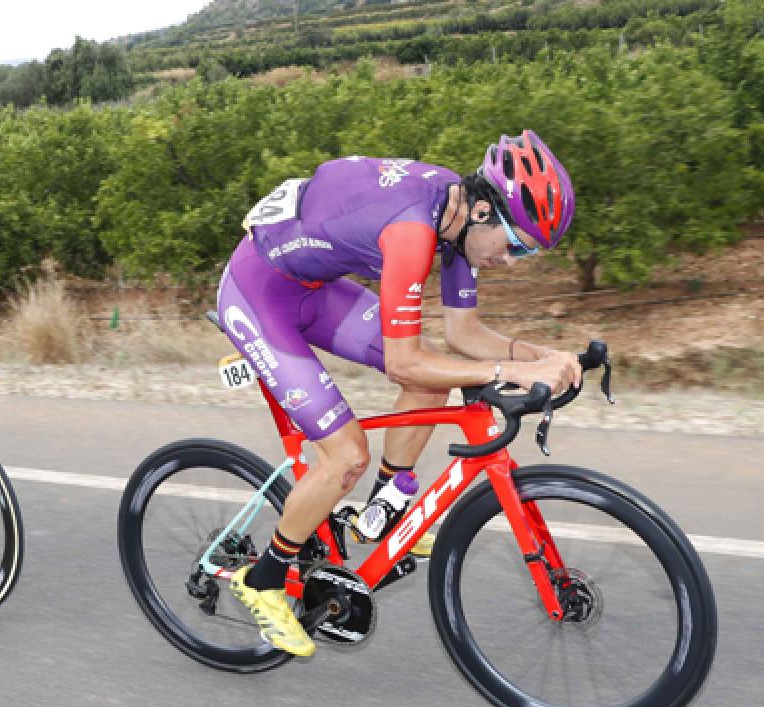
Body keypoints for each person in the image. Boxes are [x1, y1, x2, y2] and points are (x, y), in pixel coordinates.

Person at [217, 130, 582, 656]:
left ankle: (383, 512)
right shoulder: (414, 230)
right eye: (518, 244)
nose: (513, 261)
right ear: (485, 212)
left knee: (441, 370)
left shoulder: (457, 214)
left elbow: (463, 335)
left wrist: (542, 358)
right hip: (259, 295)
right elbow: (405, 362)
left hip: (313, 289)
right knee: (345, 455)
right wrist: (507, 370)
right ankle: (264, 579)